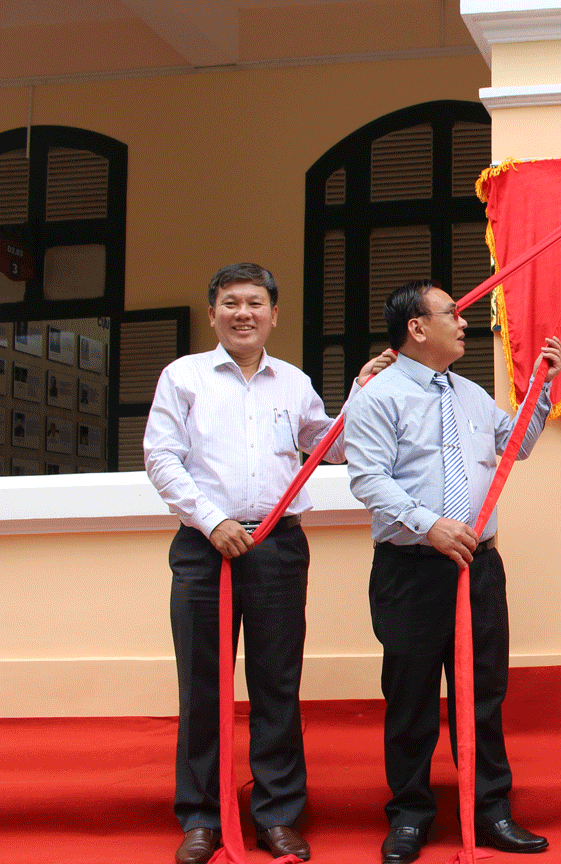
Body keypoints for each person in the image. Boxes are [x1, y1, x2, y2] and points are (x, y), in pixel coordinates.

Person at [144, 262, 393, 864]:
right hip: (205, 549)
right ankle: (202, 817)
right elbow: (161, 458)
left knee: (277, 684)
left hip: (278, 548)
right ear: (213, 314)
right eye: (230, 302)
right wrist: (213, 520)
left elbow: (328, 448)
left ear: (274, 315)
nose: (243, 313)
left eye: (255, 302)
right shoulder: (183, 378)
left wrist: (360, 392)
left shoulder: (294, 383)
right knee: (202, 688)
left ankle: (278, 815)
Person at [345, 280, 561, 864]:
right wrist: (428, 524)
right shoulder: (377, 396)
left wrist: (541, 390)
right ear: (416, 328)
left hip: (479, 570)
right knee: (411, 698)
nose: (464, 323)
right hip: (411, 570)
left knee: (483, 695)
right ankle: (411, 817)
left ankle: (491, 810)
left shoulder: (468, 394)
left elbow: (516, 445)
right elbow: (367, 478)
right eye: (452, 314)